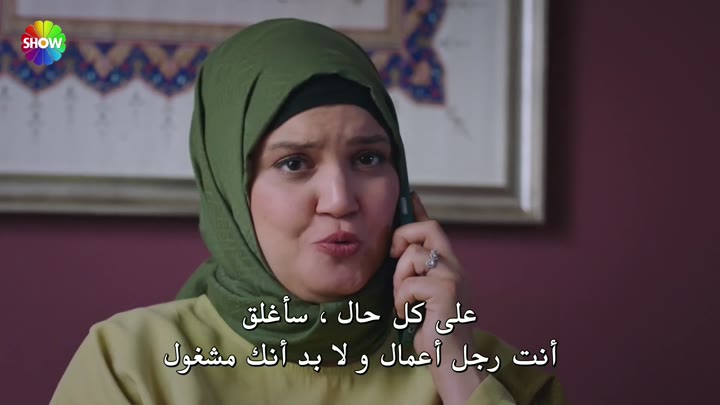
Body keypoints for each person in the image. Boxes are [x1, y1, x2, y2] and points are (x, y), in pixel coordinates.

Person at [51, 18, 565, 405]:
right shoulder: (132, 366)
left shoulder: (498, 376)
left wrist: (456, 369)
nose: (340, 199)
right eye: (294, 163)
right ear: (231, 191)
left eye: (369, 158)